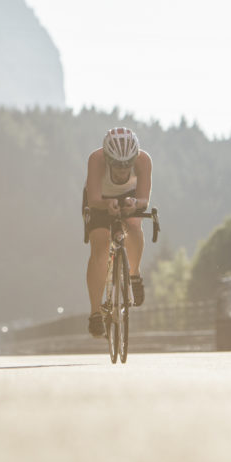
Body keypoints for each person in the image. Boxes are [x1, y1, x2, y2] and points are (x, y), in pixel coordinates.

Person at [83, 127, 153, 337]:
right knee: (101, 244)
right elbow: (94, 199)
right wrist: (108, 205)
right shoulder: (96, 160)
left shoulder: (144, 160)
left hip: (129, 196)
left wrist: (134, 204)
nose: (123, 170)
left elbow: (144, 200)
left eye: (127, 165)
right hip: (100, 199)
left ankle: (134, 274)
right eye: (117, 165)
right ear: (107, 158)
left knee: (133, 225)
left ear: (135, 158)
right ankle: (96, 313)